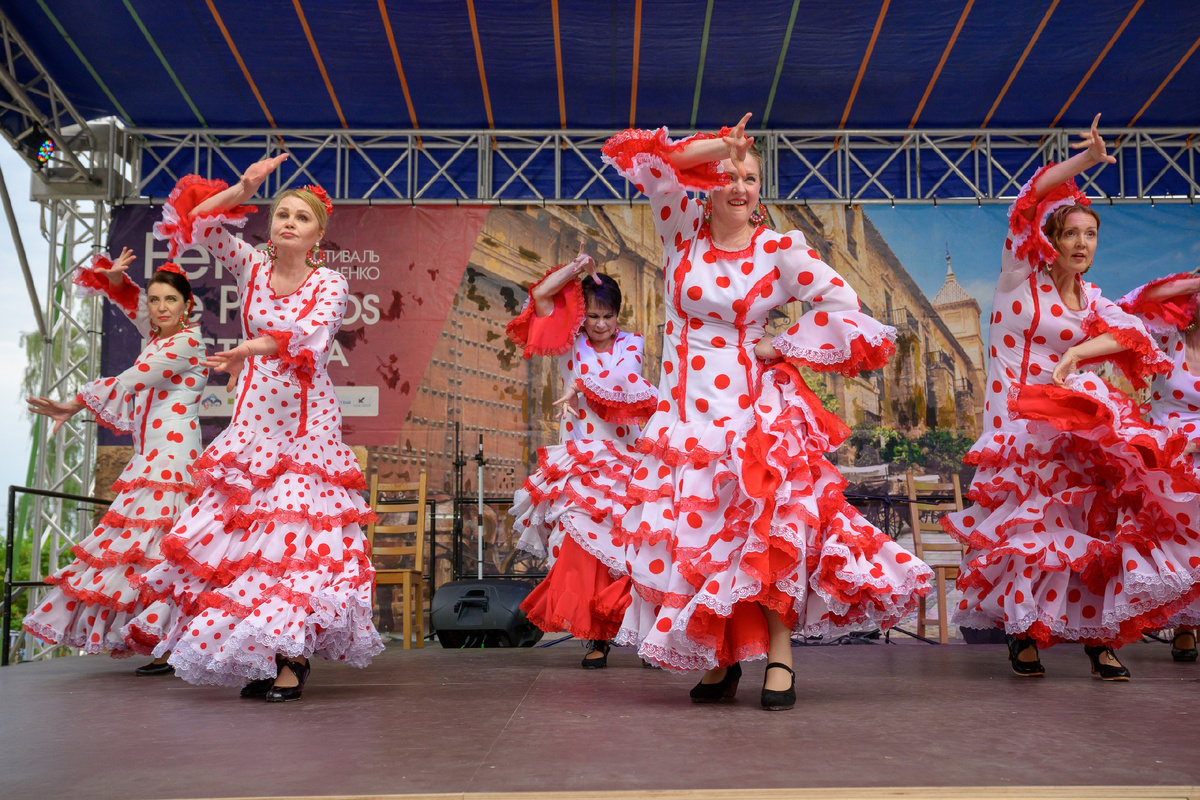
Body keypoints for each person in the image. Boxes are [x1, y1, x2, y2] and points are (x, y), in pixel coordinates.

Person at [520, 114, 931, 709]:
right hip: (685, 418)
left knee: (764, 535)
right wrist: (721, 147)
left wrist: (781, 343)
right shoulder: (680, 229)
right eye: (730, 175)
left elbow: (845, 303)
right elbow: (652, 164)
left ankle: (781, 658)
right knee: (703, 539)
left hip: (750, 415)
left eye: (752, 177)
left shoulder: (778, 250)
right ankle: (722, 658)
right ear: (710, 182)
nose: (741, 187)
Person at [942, 115, 1200, 680]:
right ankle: (1025, 631)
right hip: (1017, 426)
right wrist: (1084, 162)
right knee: (1029, 533)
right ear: (1051, 240)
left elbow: (1130, 331)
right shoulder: (1018, 278)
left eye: (1091, 234)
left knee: (1093, 527)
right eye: (1071, 233)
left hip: (1072, 427)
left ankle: (1099, 638)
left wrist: (1081, 355)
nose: (1082, 243)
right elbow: (1031, 198)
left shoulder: (1092, 300)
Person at [129, 157, 384, 701]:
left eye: (302, 217)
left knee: (293, 542)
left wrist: (250, 347)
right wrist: (242, 188)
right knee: (247, 544)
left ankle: (292, 660)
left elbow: (303, 336)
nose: (288, 222)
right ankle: (263, 655)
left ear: (319, 233)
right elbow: (196, 220)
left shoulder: (330, 283)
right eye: (281, 214)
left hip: (304, 426)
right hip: (252, 423)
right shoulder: (249, 264)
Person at [22, 250, 206, 674]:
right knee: (151, 552)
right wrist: (116, 281)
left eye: (170, 300)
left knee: (165, 550)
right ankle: (163, 639)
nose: (160, 307)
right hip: (152, 455)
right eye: (155, 300)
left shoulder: (186, 342)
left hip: (173, 459)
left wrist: (72, 403)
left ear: (187, 305)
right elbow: (131, 304)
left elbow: (129, 381)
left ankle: (170, 640)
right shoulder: (160, 336)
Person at [507, 249, 657, 668]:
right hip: (581, 459)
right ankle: (595, 637)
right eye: (593, 315)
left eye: (609, 316)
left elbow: (623, 380)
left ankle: (645, 633)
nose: (602, 324)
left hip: (626, 460)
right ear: (583, 317)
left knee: (632, 550)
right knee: (582, 550)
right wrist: (576, 270)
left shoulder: (632, 343)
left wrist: (580, 387)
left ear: (618, 317)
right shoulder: (568, 343)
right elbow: (539, 299)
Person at [1117, 272, 1200, 662]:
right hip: (1166, 457)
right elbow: (1133, 303)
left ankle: (1188, 627)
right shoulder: (1169, 340)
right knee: (1171, 541)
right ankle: (1178, 618)